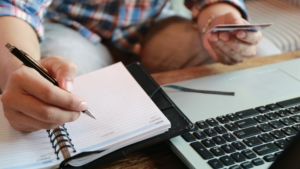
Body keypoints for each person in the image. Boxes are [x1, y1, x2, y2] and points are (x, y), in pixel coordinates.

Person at [0, 0, 263, 132]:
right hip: (69, 25)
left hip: (149, 24)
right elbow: (14, 7)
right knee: (66, 88)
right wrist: (20, 73)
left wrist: (221, 19)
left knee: (216, 52)